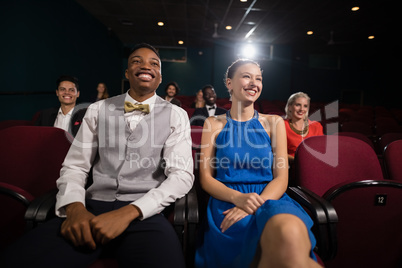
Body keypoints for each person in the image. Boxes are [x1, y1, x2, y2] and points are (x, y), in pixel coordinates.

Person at [2, 43, 194, 267]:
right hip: (91, 208)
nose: (145, 65)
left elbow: (181, 176)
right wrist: (74, 208)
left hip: (145, 213)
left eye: (154, 63)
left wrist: (130, 212)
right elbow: (75, 166)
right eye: (136, 61)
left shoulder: (176, 115)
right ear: (127, 73)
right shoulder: (97, 109)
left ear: (160, 77)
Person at [194, 59, 320, 267]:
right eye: (246, 76)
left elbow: (281, 178)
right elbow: (206, 179)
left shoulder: (274, 122)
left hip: (270, 197)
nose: (254, 83)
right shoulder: (213, 124)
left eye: (258, 78)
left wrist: (253, 204)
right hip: (228, 202)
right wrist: (240, 199)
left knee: (290, 232)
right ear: (229, 83)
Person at [284, 92, 324, 162]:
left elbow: (321, 150)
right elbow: (279, 153)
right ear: (290, 107)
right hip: (291, 166)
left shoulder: (316, 126)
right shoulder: (283, 125)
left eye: (305, 106)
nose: (302, 109)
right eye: (298, 105)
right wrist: (301, 162)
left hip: (314, 164)